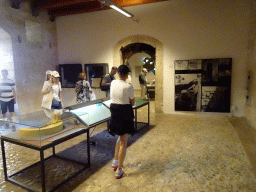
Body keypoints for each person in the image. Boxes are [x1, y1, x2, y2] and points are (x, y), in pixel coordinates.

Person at [108, 64, 135, 179]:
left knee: (119, 138)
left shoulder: (113, 83)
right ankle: (119, 169)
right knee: (124, 141)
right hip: (124, 113)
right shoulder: (128, 86)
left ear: (118, 73)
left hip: (114, 112)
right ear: (127, 74)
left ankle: (115, 161)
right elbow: (132, 103)